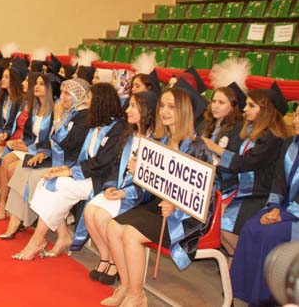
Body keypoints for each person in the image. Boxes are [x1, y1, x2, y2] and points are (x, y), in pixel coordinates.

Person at [104, 87, 213, 307]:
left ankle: (137, 296)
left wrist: (176, 206)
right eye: (162, 105)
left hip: (182, 217)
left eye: (171, 106)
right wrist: (139, 171)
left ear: (183, 110)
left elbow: (203, 195)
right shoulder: (160, 141)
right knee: (113, 227)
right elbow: (153, 185)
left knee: (131, 234)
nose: (164, 111)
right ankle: (126, 285)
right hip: (157, 206)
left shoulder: (197, 147)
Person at [11, 82, 127, 261]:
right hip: (88, 173)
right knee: (48, 181)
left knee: (59, 184)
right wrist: (66, 169)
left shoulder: (117, 129)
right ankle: (60, 236)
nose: (87, 103)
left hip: (102, 180)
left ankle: (38, 241)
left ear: (101, 103)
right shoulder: (96, 124)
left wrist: (71, 172)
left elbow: (103, 162)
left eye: (90, 99)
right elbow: (85, 156)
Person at [202, 83, 289, 259]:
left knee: (225, 227)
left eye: (251, 105)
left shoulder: (272, 137)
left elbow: (247, 162)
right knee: (221, 227)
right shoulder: (252, 130)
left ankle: (245, 262)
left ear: (265, 109)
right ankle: (235, 262)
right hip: (245, 189)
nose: (245, 109)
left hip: (260, 193)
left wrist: (216, 149)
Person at [0, 79, 90, 239]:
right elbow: (53, 141)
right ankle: (15, 220)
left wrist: (57, 120)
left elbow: (69, 144)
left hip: (68, 163)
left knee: (35, 176)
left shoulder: (84, 117)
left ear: (78, 95)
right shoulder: (71, 113)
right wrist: (43, 151)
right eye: (61, 93)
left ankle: (22, 222)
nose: (62, 97)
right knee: (22, 168)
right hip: (55, 157)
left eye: (67, 94)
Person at [85, 91, 157, 284]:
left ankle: (116, 264)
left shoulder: (156, 141)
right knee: (90, 211)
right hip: (119, 187)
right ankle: (106, 257)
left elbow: (152, 182)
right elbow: (116, 165)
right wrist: (110, 186)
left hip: (138, 196)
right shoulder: (129, 135)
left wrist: (125, 192)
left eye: (133, 106)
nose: (127, 110)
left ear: (146, 110)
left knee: (101, 217)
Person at [230, 103, 299, 306]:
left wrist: (283, 214)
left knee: (270, 235)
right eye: (295, 115)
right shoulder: (290, 144)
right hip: (283, 208)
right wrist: (274, 207)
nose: (295, 121)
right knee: (251, 227)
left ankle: (269, 299)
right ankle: (245, 293)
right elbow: (279, 178)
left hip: (295, 214)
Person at [0, 72, 54, 220]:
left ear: (50, 88)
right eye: (36, 83)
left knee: (11, 167)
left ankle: (13, 209)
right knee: (6, 160)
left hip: (43, 152)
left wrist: (30, 148)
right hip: (31, 146)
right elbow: (28, 133)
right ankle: (3, 204)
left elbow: (52, 140)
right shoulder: (35, 107)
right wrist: (22, 142)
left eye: (41, 84)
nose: (36, 86)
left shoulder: (53, 111)